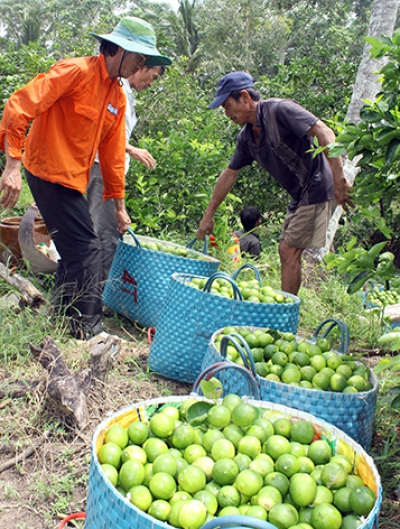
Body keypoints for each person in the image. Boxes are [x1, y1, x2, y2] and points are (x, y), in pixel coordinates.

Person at [0, 16, 172, 339]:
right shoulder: (75, 71)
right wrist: (12, 165)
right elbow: (20, 105)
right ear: (119, 50)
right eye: (139, 57)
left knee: (74, 247)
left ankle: (60, 316)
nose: (140, 66)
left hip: (72, 181)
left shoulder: (117, 97)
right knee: (88, 249)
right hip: (46, 171)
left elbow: (112, 158)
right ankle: (88, 331)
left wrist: (119, 207)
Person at [196, 72, 354, 295]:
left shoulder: (279, 110)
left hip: (319, 184)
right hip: (299, 194)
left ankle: (286, 310)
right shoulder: (247, 137)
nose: (227, 113)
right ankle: (286, 305)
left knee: (289, 250)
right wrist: (208, 214)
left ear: (244, 96)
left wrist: (340, 180)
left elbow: (324, 132)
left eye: (227, 106)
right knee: (286, 251)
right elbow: (229, 174)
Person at [87, 63, 165, 282]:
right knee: (107, 233)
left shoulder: (128, 94)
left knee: (109, 230)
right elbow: (101, 131)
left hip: (112, 171)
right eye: (153, 76)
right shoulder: (117, 88)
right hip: (101, 169)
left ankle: (99, 288)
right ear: (140, 67)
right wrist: (131, 149)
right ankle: (102, 295)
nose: (151, 83)